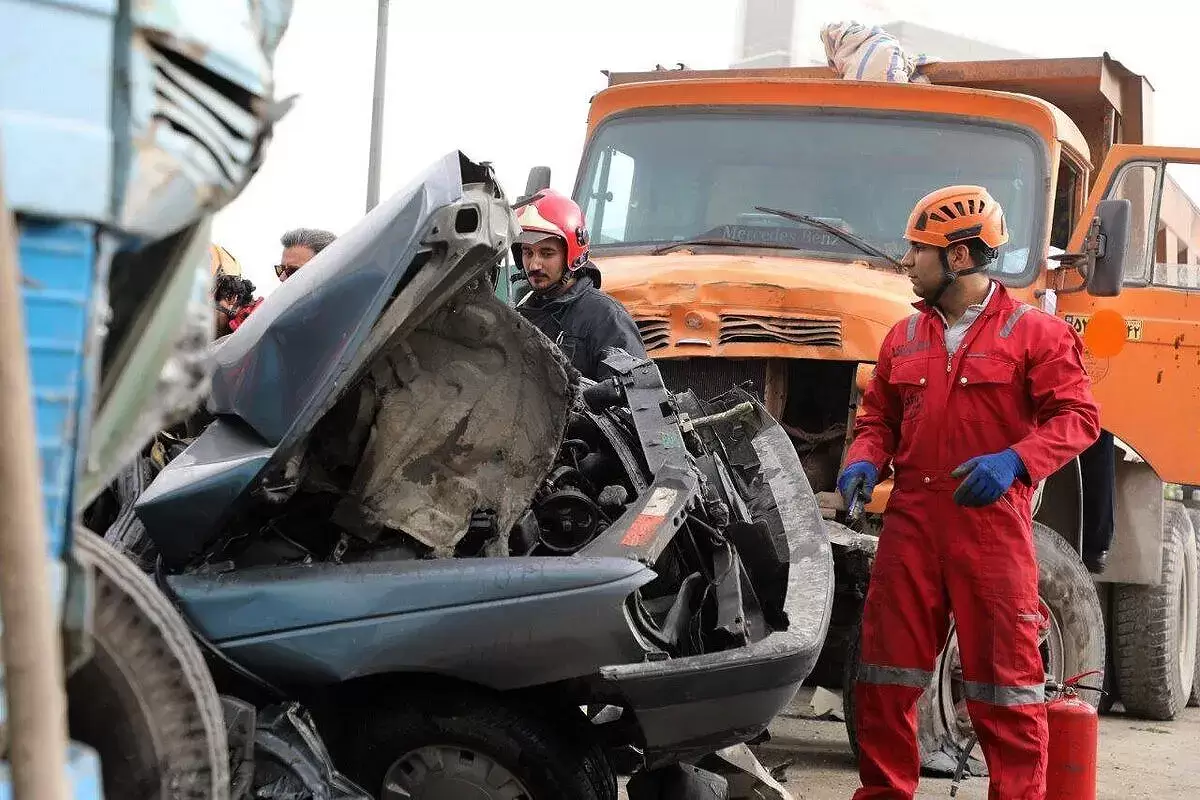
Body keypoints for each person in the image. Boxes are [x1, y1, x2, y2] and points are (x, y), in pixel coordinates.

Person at [837, 185, 1100, 799]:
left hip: (989, 531)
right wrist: (863, 459)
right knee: (883, 681)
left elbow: (1078, 417)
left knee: (1005, 691)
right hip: (910, 527)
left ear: (958, 258)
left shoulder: (1034, 334)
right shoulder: (902, 337)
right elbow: (879, 419)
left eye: (917, 250)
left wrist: (1016, 461)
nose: (906, 261)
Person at [512, 188, 647, 380]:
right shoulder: (519, 315)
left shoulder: (606, 318)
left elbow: (637, 398)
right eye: (527, 252)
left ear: (572, 255)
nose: (534, 264)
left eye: (547, 253)